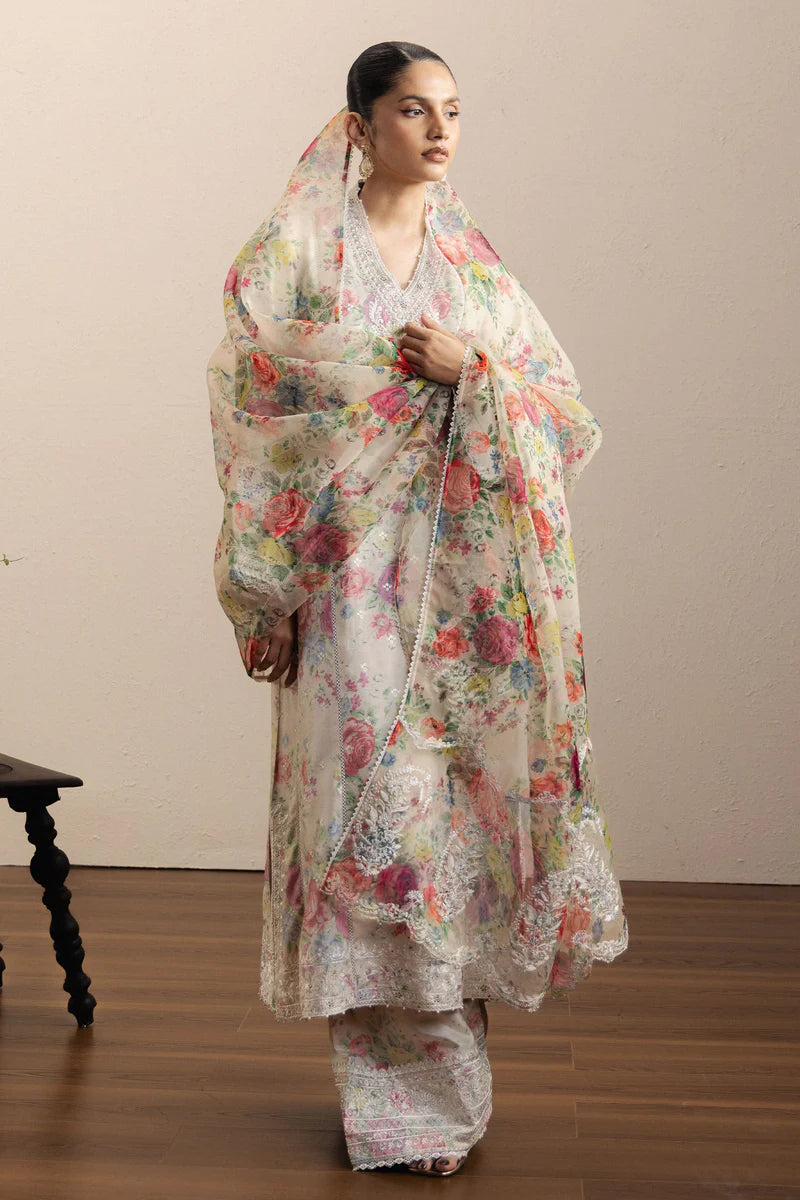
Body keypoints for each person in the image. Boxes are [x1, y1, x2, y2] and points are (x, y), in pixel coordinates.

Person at [207, 40, 629, 1176]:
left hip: (460, 596)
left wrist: (469, 373)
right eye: (411, 109)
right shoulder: (294, 255)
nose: (439, 131)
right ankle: (395, 1107)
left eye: (451, 110)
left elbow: (567, 420)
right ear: (359, 126)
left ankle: (445, 1094)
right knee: (368, 824)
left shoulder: (471, 267)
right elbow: (256, 424)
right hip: (345, 587)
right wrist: (265, 591)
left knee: (444, 826)